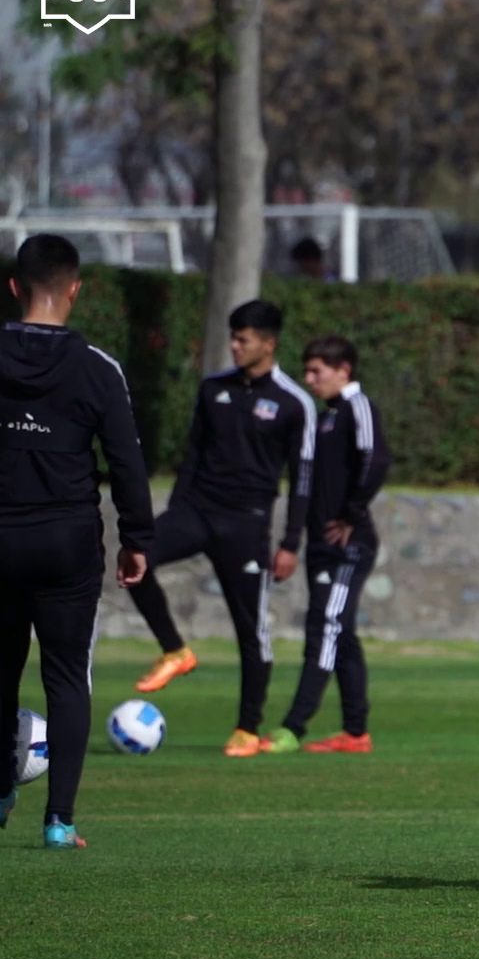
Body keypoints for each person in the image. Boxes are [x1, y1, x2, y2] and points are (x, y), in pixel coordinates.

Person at [0, 235, 155, 849]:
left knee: (0, 660)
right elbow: (127, 463)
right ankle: (59, 820)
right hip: (68, 540)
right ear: (75, 290)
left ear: (13, 286)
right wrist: (137, 537)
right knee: (66, 674)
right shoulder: (98, 368)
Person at [126, 300, 317, 757]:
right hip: (195, 513)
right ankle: (175, 650)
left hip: (246, 526)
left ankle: (248, 728)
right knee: (134, 559)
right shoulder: (213, 389)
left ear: (267, 344)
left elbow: (303, 481)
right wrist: (175, 512)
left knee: (252, 631)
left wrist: (291, 542)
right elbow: (193, 454)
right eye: (233, 337)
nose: (234, 345)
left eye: (243, 339)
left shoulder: (295, 403)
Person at [263, 335, 389, 755]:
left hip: (351, 547)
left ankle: (293, 728)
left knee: (326, 628)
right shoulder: (327, 417)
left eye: (317, 371)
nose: (310, 378)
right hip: (321, 547)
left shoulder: (359, 408)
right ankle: (356, 734)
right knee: (341, 634)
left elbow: (376, 459)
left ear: (344, 370)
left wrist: (352, 515)